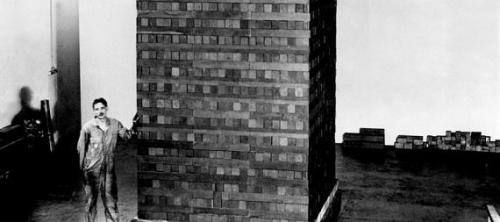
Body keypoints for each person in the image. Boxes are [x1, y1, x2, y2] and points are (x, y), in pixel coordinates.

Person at [77, 98, 136, 222]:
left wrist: (135, 124)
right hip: (91, 171)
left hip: (108, 171)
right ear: (94, 111)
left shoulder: (115, 124)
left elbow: (127, 136)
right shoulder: (88, 127)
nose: (100, 111)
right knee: (90, 203)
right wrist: (82, 169)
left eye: (102, 108)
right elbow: (81, 149)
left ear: (106, 108)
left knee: (111, 202)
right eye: (97, 109)